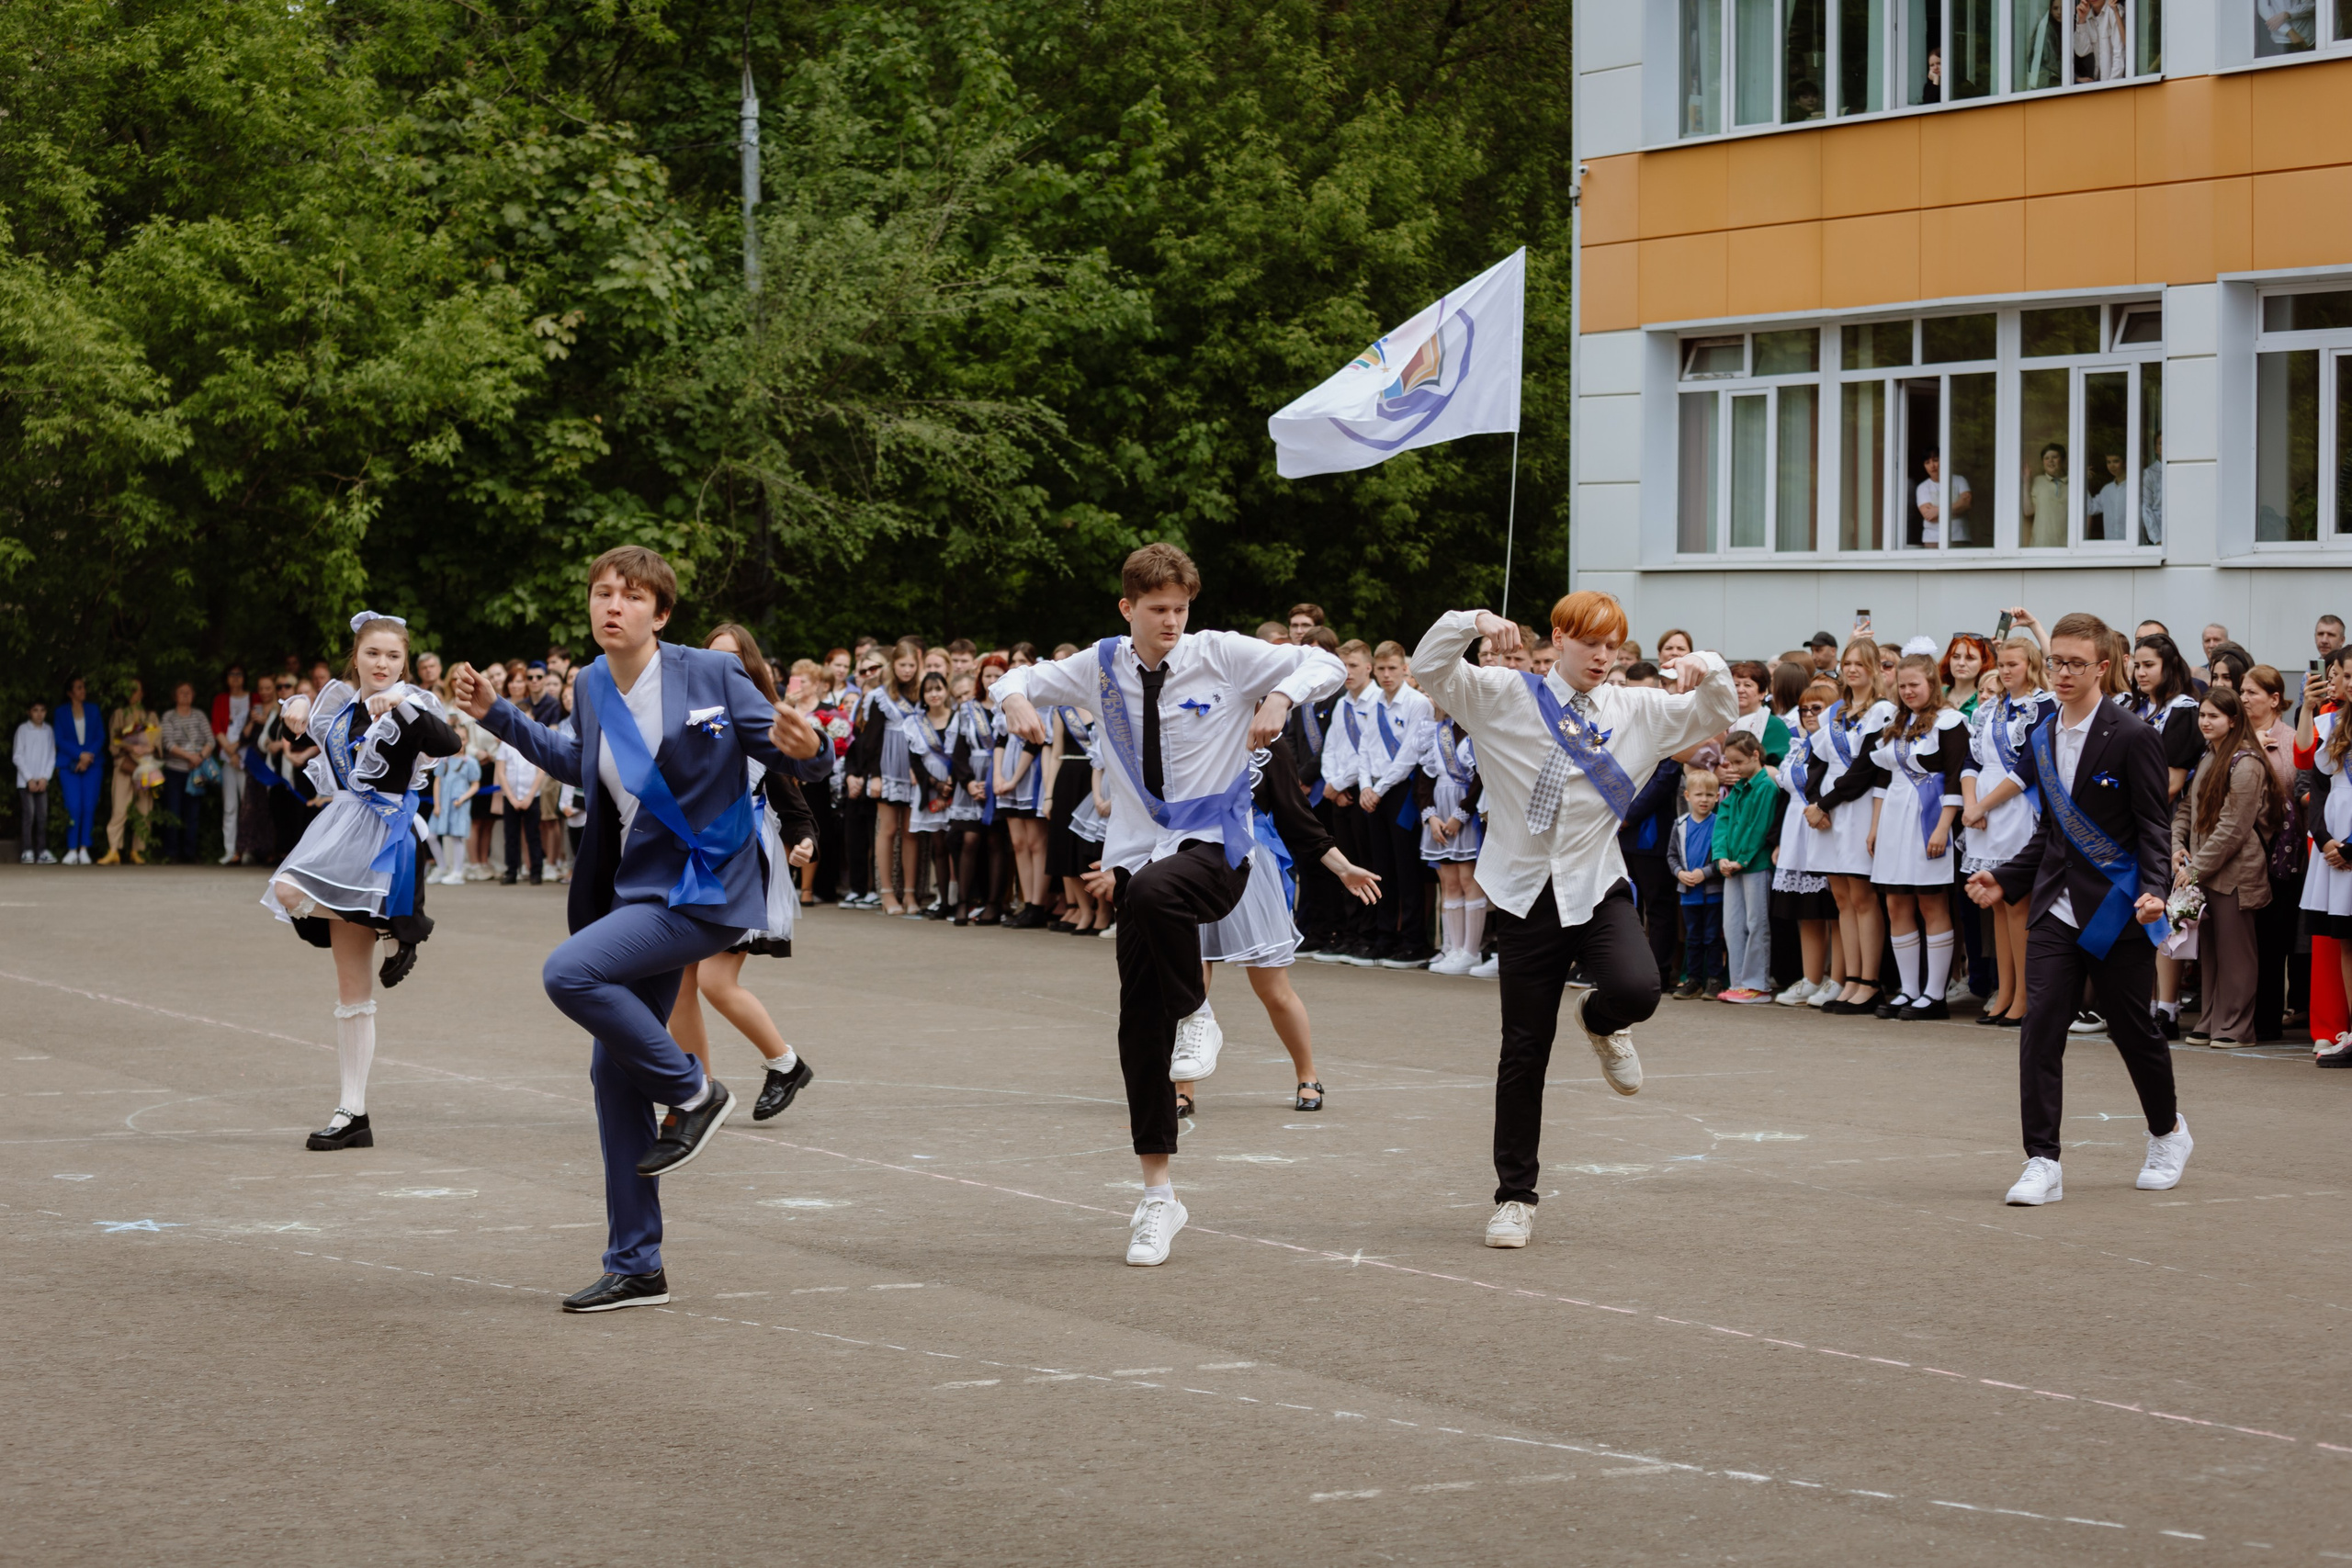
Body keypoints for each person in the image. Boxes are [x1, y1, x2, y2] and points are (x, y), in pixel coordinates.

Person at [449, 547, 820, 1313]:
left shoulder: (711, 675)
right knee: (612, 1074)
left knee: (569, 972)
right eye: (600, 593)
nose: (611, 605)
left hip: (708, 888)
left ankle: (695, 1090)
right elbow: (581, 762)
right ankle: (637, 1264)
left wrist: (808, 749)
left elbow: (785, 753)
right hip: (639, 894)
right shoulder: (589, 683)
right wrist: (497, 714)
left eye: (630, 594)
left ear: (661, 612)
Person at [994, 543, 1344, 1268]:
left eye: (1181, 608)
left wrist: (1279, 695)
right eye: (1158, 610)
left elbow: (1326, 664)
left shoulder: (1220, 653)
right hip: (1137, 856)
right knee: (1136, 1029)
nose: (1171, 622)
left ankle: (1199, 1012)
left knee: (1159, 896)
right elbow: (1017, 675)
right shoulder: (1099, 665)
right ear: (1128, 608)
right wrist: (1019, 699)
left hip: (1217, 850)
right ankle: (1159, 1195)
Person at [1409, 593, 1736, 1249]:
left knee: (1639, 988)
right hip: (1524, 891)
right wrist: (1472, 621)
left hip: (1594, 882)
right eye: (1590, 642)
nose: (1603, 656)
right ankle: (1515, 1196)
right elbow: (1429, 665)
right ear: (1558, 638)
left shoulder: (1635, 709)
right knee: (1523, 1049)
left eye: (1613, 645)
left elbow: (1714, 713)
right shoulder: (1503, 694)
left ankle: (1601, 1021)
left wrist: (1708, 665)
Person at [1966, 612, 2189, 1206]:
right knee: (2040, 1027)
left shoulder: (2134, 734)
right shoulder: (2041, 733)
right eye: (2056, 662)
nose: (2062, 672)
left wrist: (2155, 891)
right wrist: (2005, 876)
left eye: (2075, 663)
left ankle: (2168, 1132)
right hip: (2054, 910)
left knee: (2131, 1029)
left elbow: (2153, 826)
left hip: (2118, 908)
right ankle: (2042, 1159)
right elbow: (2050, 834)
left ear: (2102, 667)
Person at [264, 612, 464, 1151]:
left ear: (404, 662)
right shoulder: (339, 704)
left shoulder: (413, 704)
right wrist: (295, 710)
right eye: (373, 654)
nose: (382, 664)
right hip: (339, 831)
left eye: (393, 656)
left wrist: (400, 703)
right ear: (356, 657)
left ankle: (390, 926)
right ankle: (354, 1112)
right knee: (350, 991)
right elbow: (303, 729)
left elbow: (450, 742)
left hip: (385, 839)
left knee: (287, 890)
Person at [666, 624, 820, 1122]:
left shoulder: (762, 721)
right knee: (678, 982)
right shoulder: (689, 718)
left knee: (714, 979)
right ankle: (698, 1093)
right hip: (693, 859)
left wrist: (804, 842)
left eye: (732, 659)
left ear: (748, 667)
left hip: (740, 858)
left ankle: (785, 1063)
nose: (721, 668)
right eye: (712, 658)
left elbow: (794, 804)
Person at [1181, 739, 1382, 1117]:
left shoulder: (1268, 748)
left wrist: (1342, 867)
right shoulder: (1179, 729)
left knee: (1273, 988)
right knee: (1187, 984)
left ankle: (1308, 1074)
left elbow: (1296, 814)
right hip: (1184, 858)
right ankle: (1182, 1087)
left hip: (1248, 867)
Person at [1861, 652, 1970, 1019]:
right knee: (1896, 904)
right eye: (1903, 685)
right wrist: (1875, 826)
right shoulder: (1896, 721)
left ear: (1932, 685)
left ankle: (1934, 995)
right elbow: (1883, 778)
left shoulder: (1951, 721)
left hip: (1929, 819)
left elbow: (1956, 776)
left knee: (1931, 902)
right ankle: (1908, 991)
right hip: (1893, 818)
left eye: (1915, 685)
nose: (1908, 691)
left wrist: (1943, 828)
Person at [2174, 686, 2280, 1049]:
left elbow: (2235, 827)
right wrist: (2177, 848)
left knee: (2237, 954)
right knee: (2212, 953)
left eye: (2213, 716)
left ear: (2233, 720)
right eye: (2202, 715)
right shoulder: (2208, 756)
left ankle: (2235, 1027)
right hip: (2205, 871)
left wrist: (2196, 867)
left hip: (2236, 872)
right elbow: (2187, 809)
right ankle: (2210, 1021)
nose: (2205, 721)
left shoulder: (2247, 762)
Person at [1960, 637, 2055, 1029]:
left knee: (2017, 904)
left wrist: (1984, 805)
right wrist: (1970, 805)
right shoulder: (1989, 708)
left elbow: (2030, 767)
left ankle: (2025, 997)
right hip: (1983, 813)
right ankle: (2005, 990)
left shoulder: (2044, 706)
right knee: (1996, 906)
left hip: (2016, 807)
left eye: (2013, 663)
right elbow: (1970, 760)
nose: (2005, 670)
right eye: (2001, 663)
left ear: (2031, 664)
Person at [1809, 640, 1895, 1013]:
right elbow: (1815, 760)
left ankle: (1869, 981)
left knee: (1862, 897)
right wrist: (1816, 803)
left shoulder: (1883, 711)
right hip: (1828, 811)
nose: (1852, 669)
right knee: (1842, 898)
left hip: (1858, 806)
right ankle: (1849, 979)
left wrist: (1825, 802)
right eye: (1847, 663)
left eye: (1860, 663)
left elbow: (1866, 768)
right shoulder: (1835, 712)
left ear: (1875, 667)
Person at [2130, 631, 2205, 1037]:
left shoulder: (2183, 710)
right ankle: (2142, 1003)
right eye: (2137, 665)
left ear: (2168, 666)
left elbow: (2171, 783)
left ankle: (2168, 1010)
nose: (2140, 673)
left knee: (2166, 916)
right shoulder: (2133, 707)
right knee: (2138, 916)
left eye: (2148, 665)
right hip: (2129, 824)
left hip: (2164, 824)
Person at [1357, 641, 1436, 967]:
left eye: (1393, 668)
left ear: (1405, 669)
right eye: (1381, 669)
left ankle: (1413, 940)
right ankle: (1385, 936)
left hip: (1400, 791)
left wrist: (1378, 787)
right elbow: (1365, 746)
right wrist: (1364, 785)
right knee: (1381, 868)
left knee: (1407, 869)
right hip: (1373, 791)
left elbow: (1408, 755)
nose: (1387, 675)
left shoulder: (1417, 703)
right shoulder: (1375, 700)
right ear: (1374, 670)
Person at [1770, 682, 1840, 1005]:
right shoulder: (1799, 744)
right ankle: (1812, 977)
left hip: (1826, 826)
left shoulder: (1834, 745)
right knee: (1807, 910)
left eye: (1818, 708)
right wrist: (1779, 841)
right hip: (1795, 830)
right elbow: (1786, 794)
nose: (1810, 714)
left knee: (1834, 910)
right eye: (1804, 709)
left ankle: (1838, 978)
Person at [2300, 645, 2352, 1066]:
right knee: (2344, 940)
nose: (2346, 683)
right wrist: (2325, 837)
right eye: (2344, 676)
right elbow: (2317, 783)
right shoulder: (2331, 722)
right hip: (2332, 842)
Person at [1711, 733, 1781, 1002]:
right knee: (1732, 923)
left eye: (1739, 762)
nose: (1734, 769)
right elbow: (1723, 823)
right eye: (1729, 763)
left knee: (1756, 923)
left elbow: (1760, 827)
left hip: (1755, 865)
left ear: (1755, 755)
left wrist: (1742, 859)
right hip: (1733, 865)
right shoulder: (1739, 787)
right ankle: (1738, 982)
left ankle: (1757, 984)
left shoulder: (1765, 786)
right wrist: (1720, 857)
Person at [1419, 704, 1487, 975]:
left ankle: (1471, 951)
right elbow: (1425, 779)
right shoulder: (1436, 732)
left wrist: (1462, 814)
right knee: (1448, 882)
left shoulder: (1474, 732)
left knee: (1468, 879)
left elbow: (1480, 778)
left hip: (1464, 812)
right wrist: (1430, 816)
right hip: (1440, 811)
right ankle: (1455, 949)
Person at [1670, 768, 1728, 998]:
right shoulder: (1680, 824)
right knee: (1693, 938)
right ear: (1687, 796)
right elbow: (1671, 856)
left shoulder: (1718, 823)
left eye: (1709, 795)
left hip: (1712, 891)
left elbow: (1721, 855)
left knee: (1713, 937)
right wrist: (1679, 873)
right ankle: (1693, 980)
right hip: (1688, 892)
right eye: (1698, 794)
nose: (1704, 799)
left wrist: (1705, 872)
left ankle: (1715, 980)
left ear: (1717, 797)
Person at [99, 679, 158, 865]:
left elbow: (157, 742)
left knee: (144, 809)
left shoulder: (150, 715)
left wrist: (147, 749)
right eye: (130, 690)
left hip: (146, 765)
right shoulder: (119, 713)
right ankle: (114, 850)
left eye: (136, 690)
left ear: (142, 693)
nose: (133, 693)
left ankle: (137, 851)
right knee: (119, 808)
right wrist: (132, 748)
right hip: (124, 765)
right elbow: (114, 741)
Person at [157, 681, 213, 864]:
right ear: (174, 696)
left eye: (189, 692)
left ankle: (190, 853)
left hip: (196, 772)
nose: (185, 695)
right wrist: (189, 757)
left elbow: (210, 741)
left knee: (193, 813)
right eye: (181, 692)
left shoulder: (199, 716)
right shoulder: (169, 716)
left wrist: (198, 757)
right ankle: (172, 853)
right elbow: (168, 743)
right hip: (174, 770)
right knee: (173, 811)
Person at [51, 678, 104, 865]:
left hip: (92, 764)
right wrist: (79, 755)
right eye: (79, 688)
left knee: (89, 806)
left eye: (84, 687)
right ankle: (72, 849)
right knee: (74, 806)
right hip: (69, 764)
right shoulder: (60, 712)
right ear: (70, 693)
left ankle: (84, 849)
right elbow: (60, 738)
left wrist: (87, 756)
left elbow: (100, 736)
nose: (83, 690)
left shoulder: (93, 710)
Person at [428, 723, 481, 885]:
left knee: (456, 837)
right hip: (442, 804)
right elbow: (437, 781)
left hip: (458, 804)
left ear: (467, 741)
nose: (460, 743)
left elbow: (475, 784)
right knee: (431, 836)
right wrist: (437, 804)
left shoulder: (470, 762)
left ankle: (458, 871)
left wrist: (463, 798)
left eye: (463, 739)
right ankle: (442, 867)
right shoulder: (444, 760)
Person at [211, 666, 251, 863]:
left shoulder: (254, 698)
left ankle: (248, 851)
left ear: (244, 677)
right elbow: (217, 727)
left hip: (248, 757)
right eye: (231, 674)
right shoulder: (220, 699)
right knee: (230, 806)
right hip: (228, 757)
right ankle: (230, 850)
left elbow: (254, 726)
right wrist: (230, 751)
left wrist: (238, 749)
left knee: (248, 805)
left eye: (239, 674)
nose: (235, 678)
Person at [15, 701, 55, 863]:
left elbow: (51, 756)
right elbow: (17, 756)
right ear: (29, 712)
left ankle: (42, 850)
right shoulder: (23, 730)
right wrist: (29, 778)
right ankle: (27, 850)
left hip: (42, 781)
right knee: (29, 815)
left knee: (42, 816)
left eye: (42, 710)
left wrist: (45, 777)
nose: (39, 714)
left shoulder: (48, 730)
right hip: (26, 782)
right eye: (35, 710)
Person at [1917, 450, 1972, 547]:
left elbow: (1966, 504)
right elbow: (1929, 516)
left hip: (1960, 537)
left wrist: (1938, 511)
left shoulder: (1960, 480)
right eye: (1927, 463)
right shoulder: (1923, 487)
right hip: (1933, 540)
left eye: (1935, 460)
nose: (1932, 466)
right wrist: (1956, 509)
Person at [2021, 443, 2067, 548]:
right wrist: (2026, 482)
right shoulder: (2038, 482)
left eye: (2055, 457)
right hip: (2041, 546)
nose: (2050, 461)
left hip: (2066, 547)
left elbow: (2087, 513)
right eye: (2046, 458)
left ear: (2063, 460)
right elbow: (2028, 511)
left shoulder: (2074, 484)